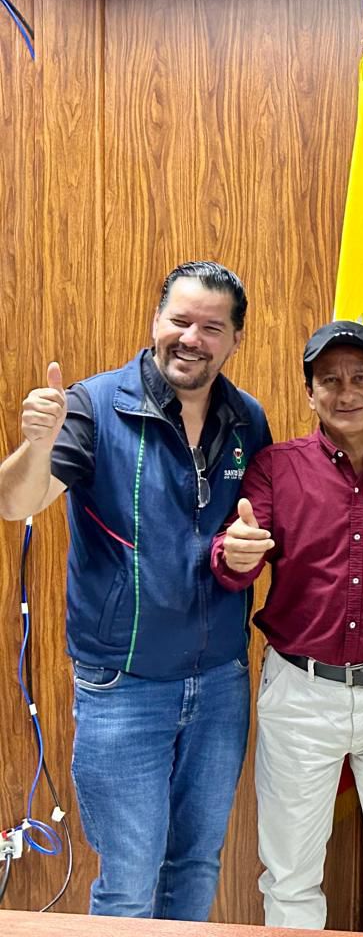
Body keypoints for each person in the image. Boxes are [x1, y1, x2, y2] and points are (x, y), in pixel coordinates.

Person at [0, 261, 271, 919]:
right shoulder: (94, 407)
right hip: (123, 688)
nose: (192, 338)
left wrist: (248, 548)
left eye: (212, 328)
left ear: (235, 339)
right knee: (128, 880)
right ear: (156, 321)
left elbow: (254, 525)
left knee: (196, 864)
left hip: (221, 683)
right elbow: (17, 501)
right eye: (180, 320)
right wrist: (37, 444)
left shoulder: (248, 419)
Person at [209, 321, 363, 935]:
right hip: (300, 694)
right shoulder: (276, 468)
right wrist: (235, 554)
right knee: (289, 876)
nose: (346, 392)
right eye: (329, 380)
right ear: (310, 393)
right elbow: (235, 554)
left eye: (361, 377)